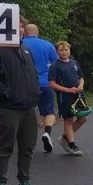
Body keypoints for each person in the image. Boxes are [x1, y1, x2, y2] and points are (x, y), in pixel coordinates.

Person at [0, 41, 42, 185]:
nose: (19, 31)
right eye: (17, 28)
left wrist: (36, 91)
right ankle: (0, 183)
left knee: (28, 146)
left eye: (21, 29)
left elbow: (34, 73)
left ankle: (24, 181)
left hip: (29, 106)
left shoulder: (25, 50)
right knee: (6, 146)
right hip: (7, 107)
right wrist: (6, 93)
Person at [22, 23, 59, 153]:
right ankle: (47, 132)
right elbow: (57, 63)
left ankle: (25, 137)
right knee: (49, 112)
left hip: (26, 84)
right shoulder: (47, 45)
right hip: (45, 83)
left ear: (24, 32)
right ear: (37, 32)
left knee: (25, 111)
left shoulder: (20, 45)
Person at [48, 40, 87, 156]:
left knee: (83, 118)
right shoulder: (55, 65)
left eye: (66, 50)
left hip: (78, 95)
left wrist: (81, 86)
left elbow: (81, 78)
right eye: (61, 50)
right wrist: (67, 90)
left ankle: (65, 137)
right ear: (57, 51)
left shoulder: (74, 63)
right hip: (64, 96)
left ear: (69, 50)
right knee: (68, 120)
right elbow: (51, 84)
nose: (64, 52)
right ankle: (72, 145)